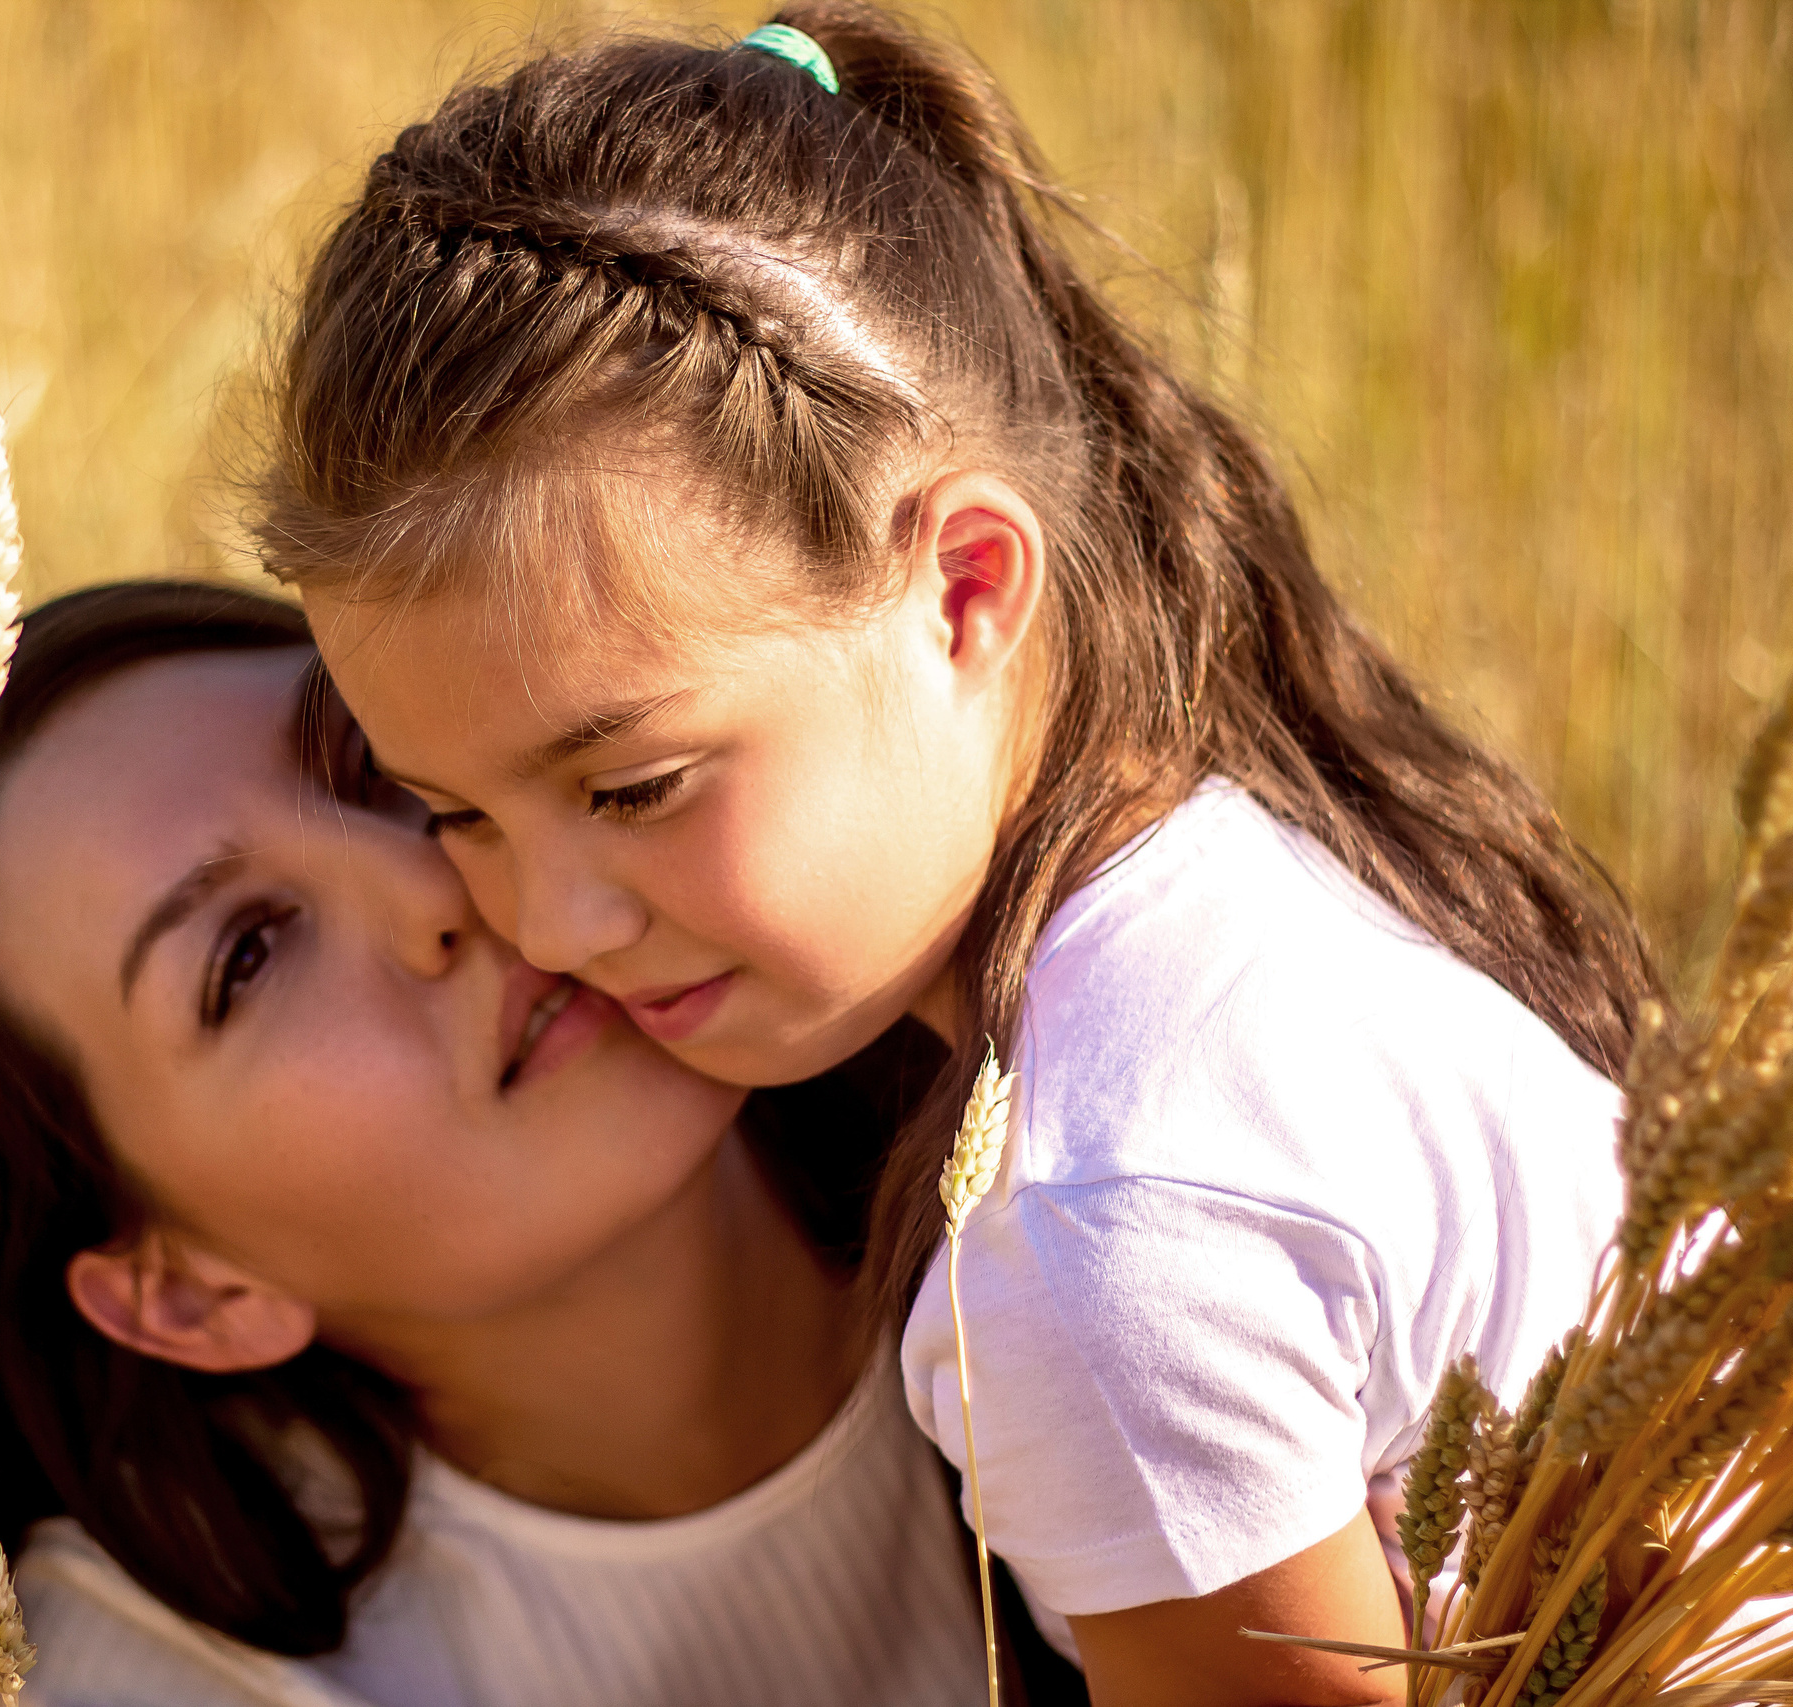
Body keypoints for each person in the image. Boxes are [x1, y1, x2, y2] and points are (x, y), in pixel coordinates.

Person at [268, 7, 1654, 1703]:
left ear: (966, 589)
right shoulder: (1271, 862)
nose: (545, 922)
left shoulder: (1091, 1254)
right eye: (458, 815)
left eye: (636, 784)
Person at [0, 581, 1063, 1707]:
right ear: (189, 1292)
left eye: (377, 766)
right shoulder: (165, 1685)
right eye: (248, 955)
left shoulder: (1111, 1145)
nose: (438, 888)